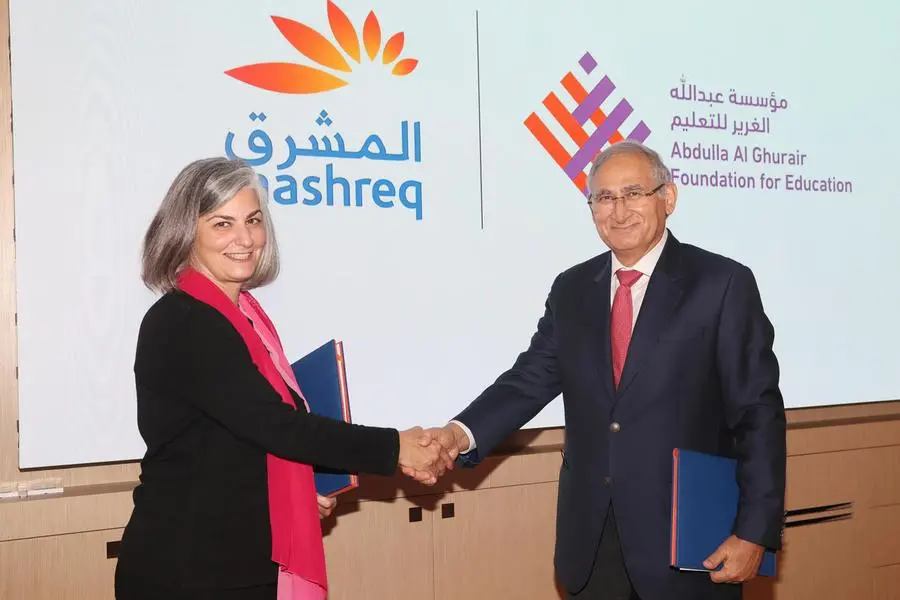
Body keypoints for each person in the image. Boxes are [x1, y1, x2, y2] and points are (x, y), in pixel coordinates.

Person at [427, 141, 787, 600]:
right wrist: (459, 434)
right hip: (593, 545)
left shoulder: (721, 283)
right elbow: (529, 379)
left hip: (689, 542)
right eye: (604, 197)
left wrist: (754, 531)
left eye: (633, 193)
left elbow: (758, 415)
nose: (619, 211)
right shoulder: (572, 288)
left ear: (668, 198)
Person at [114, 157, 451, 600]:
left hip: (235, 560)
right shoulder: (183, 321)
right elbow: (276, 426)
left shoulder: (243, 316)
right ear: (185, 232)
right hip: (188, 570)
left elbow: (234, 445)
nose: (244, 239)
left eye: (253, 220)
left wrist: (293, 497)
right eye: (222, 224)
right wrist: (396, 447)